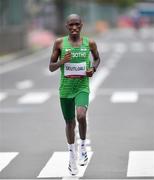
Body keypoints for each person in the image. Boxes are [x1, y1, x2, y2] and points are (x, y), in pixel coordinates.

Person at [49, 14, 100, 175]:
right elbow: (51, 67)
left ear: (81, 25)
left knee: (81, 116)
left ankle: (83, 147)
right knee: (70, 123)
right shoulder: (59, 43)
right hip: (65, 89)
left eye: (77, 24)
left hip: (82, 87)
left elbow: (97, 59)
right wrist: (62, 61)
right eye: (71, 25)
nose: (74, 28)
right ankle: (72, 156)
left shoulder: (89, 43)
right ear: (67, 26)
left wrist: (93, 69)